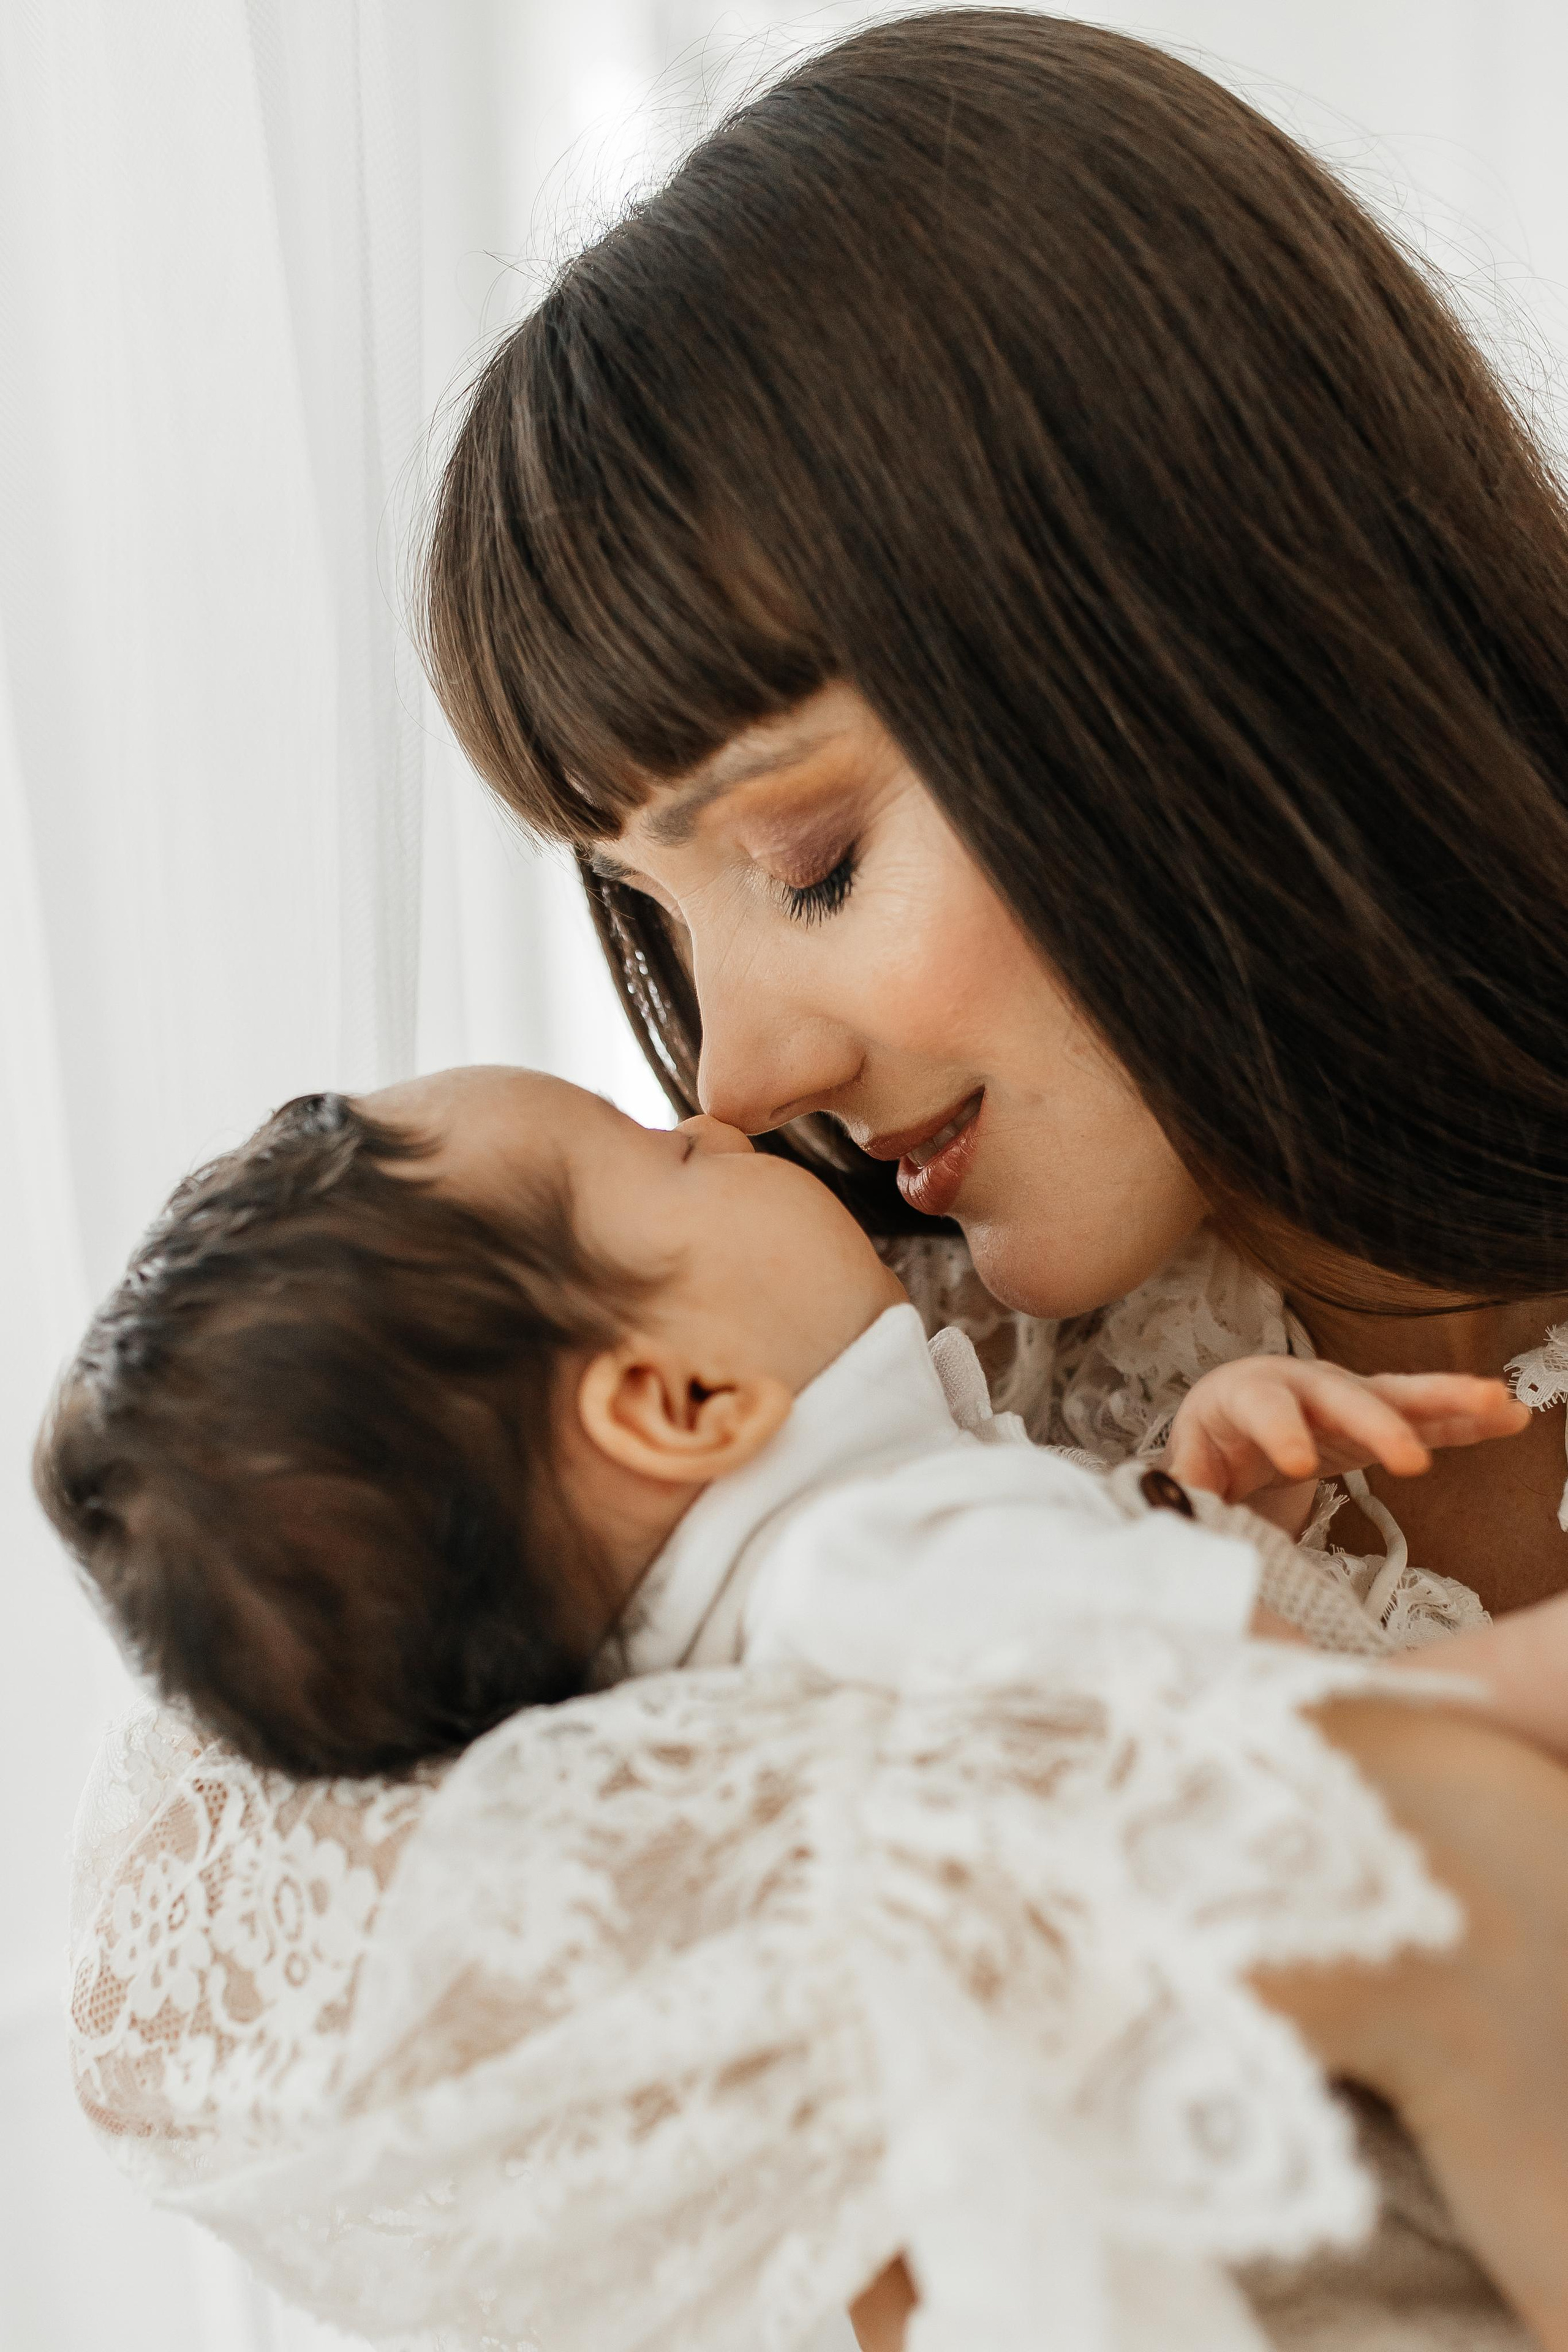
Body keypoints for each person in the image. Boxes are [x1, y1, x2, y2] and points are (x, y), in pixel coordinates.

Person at [67, 12, 1568, 2348]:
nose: (741, 1066)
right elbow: (185, 1993)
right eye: (652, 916)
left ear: (1203, 650)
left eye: (808, 861)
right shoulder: (842, 1382)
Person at [36, 1065, 1528, 1777]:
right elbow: (1371, 1763)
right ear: (677, 1402)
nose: (717, 1113)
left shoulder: (788, 1644)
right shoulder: (874, 1566)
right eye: (666, 1160)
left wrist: (1196, 1522)